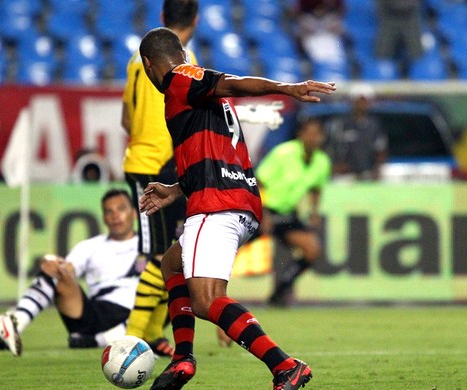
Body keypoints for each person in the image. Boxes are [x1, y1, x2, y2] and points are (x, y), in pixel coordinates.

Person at [137, 27, 336, 389]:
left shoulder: (182, 79)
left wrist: (286, 89)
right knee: (171, 263)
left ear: (149, 65)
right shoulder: (198, 99)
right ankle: (182, 360)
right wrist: (175, 189)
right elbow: (212, 157)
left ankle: (285, 365)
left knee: (206, 299)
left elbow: (233, 82)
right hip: (239, 201)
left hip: (216, 205)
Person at [0, 189, 141, 356]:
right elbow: (67, 269)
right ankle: (16, 324)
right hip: (92, 314)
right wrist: (50, 263)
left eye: (121, 209)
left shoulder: (149, 246)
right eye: (109, 211)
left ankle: (99, 339)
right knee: (56, 270)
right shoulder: (90, 246)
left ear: (134, 213)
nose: (115, 216)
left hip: (133, 315)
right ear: (103, 217)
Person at [120, 0, 197, 357]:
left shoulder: (140, 58)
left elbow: (125, 118)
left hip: (146, 160)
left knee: (166, 252)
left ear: (164, 18)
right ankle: (132, 337)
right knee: (157, 254)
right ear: (195, 21)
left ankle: (149, 333)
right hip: (160, 166)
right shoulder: (186, 62)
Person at [255, 118, 331, 307]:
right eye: (309, 133)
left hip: (287, 213)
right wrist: (262, 214)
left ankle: (279, 292)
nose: (313, 138)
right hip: (263, 211)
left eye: (317, 134)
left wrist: (314, 212)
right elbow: (258, 181)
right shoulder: (283, 153)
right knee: (233, 247)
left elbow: (316, 188)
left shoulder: (322, 162)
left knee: (312, 249)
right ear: (301, 135)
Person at [323, 83, 387, 181]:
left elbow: (380, 149)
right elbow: (328, 148)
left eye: (364, 100)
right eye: (359, 100)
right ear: (352, 101)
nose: (361, 103)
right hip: (342, 177)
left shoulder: (374, 125)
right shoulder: (340, 124)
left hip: (367, 176)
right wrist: (334, 167)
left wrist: (377, 171)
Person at [374, 0, 423, 76]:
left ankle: (418, 78)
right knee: (381, 55)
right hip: (389, 16)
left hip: (410, 16)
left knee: (417, 56)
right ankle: (383, 77)